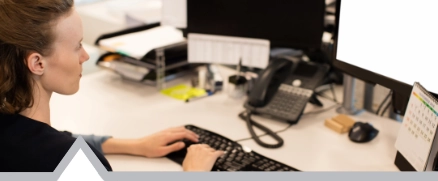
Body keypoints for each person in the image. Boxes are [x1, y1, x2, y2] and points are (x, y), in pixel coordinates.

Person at [0, 0, 223, 172]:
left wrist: (135, 145)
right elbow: (55, 148)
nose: (85, 55)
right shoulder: (74, 163)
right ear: (37, 63)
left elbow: (46, 139)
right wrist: (194, 172)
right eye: (77, 46)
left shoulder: (14, 127)